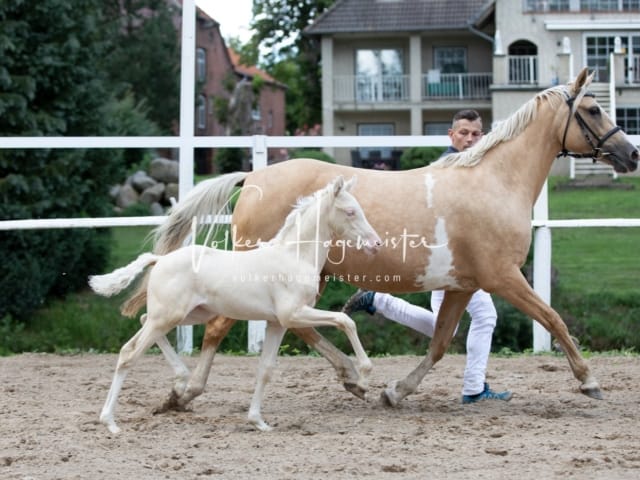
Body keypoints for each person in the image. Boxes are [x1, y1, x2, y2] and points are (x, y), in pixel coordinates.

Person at [343, 109, 512, 405]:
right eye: (464, 133)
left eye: (475, 134)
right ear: (451, 135)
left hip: (454, 259)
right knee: (482, 317)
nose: (470, 139)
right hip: (446, 260)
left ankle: (379, 301)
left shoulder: (473, 167)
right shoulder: (450, 168)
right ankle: (473, 389)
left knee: (450, 325)